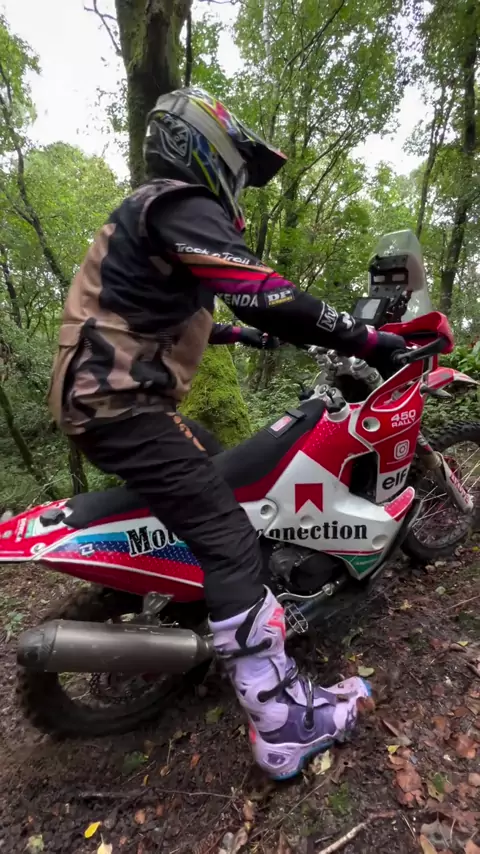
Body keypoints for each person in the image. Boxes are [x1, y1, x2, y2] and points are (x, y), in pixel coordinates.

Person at [48, 87, 406, 780]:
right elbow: (264, 292)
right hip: (121, 404)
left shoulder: (153, 213)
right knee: (230, 532)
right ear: (206, 149)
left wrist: (241, 336)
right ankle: (281, 724)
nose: (239, 184)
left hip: (108, 398)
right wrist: (368, 339)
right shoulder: (182, 203)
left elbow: (149, 311)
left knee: (230, 475)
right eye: (239, 167)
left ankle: (220, 608)